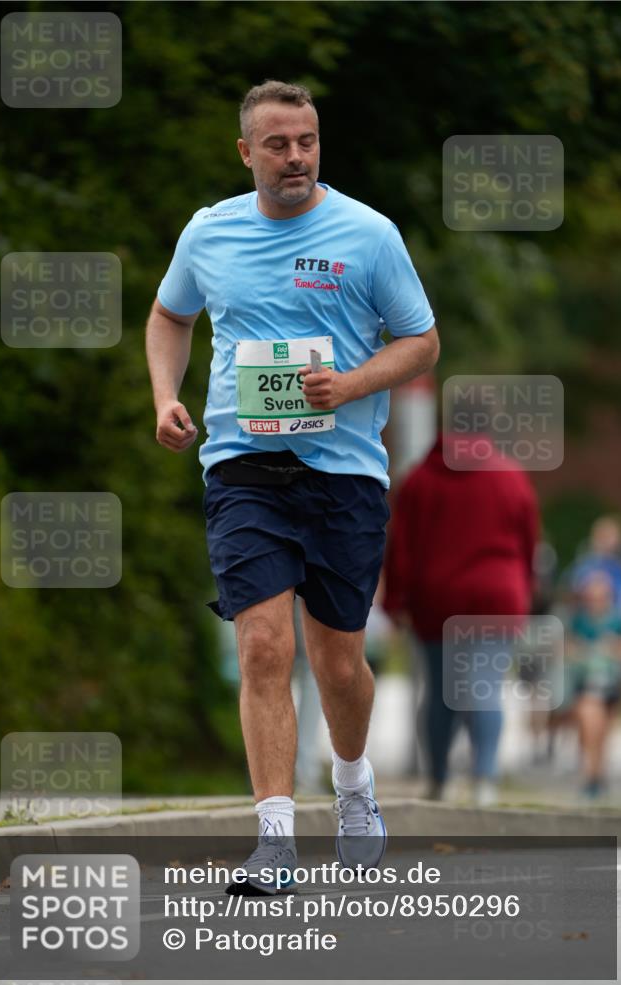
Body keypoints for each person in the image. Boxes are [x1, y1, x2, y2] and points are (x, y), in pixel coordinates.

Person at [145, 80, 439, 893]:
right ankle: (274, 838)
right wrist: (166, 396)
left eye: (306, 140)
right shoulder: (209, 232)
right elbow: (171, 316)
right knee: (262, 645)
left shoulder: (367, 234)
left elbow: (420, 341)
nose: (296, 156)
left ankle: (352, 789)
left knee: (336, 662)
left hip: (342, 471)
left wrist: (348, 385)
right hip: (242, 467)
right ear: (246, 153)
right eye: (277, 144)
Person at [383, 430, 539, 806]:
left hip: (437, 599)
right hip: (496, 596)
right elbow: (529, 539)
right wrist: (526, 586)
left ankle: (438, 779)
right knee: (485, 687)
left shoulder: (419, 479)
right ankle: (484, 779)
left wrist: (394, 600)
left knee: (440, 693)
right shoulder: (510, 475)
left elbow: (402, 545)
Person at [564, 570, 621, 799]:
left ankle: (597, 775)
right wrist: (580, 651)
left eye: (600, 595)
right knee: (589, 724)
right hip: (585, 684)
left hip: (612, 683)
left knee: (602, 734)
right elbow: (565, 647)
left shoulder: (619, 619)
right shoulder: (577, 619)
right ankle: (590, 775)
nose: (595, 600)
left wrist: (615, 648)